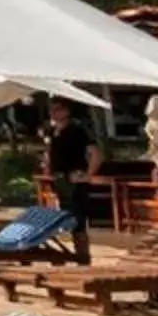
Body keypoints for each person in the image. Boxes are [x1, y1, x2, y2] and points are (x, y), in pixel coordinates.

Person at [42, 98, 101, 229]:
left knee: (77, 221)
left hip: (74, 178)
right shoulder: (52, 132)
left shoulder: (77, 130)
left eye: (56, 109)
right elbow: (49, 152)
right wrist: (47, 167)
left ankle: (81, 248)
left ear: (66, 111)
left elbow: (95, 153)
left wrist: (88, 174)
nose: (52, 113)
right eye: (50, 110)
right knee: (64, 217)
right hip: (58, 178)